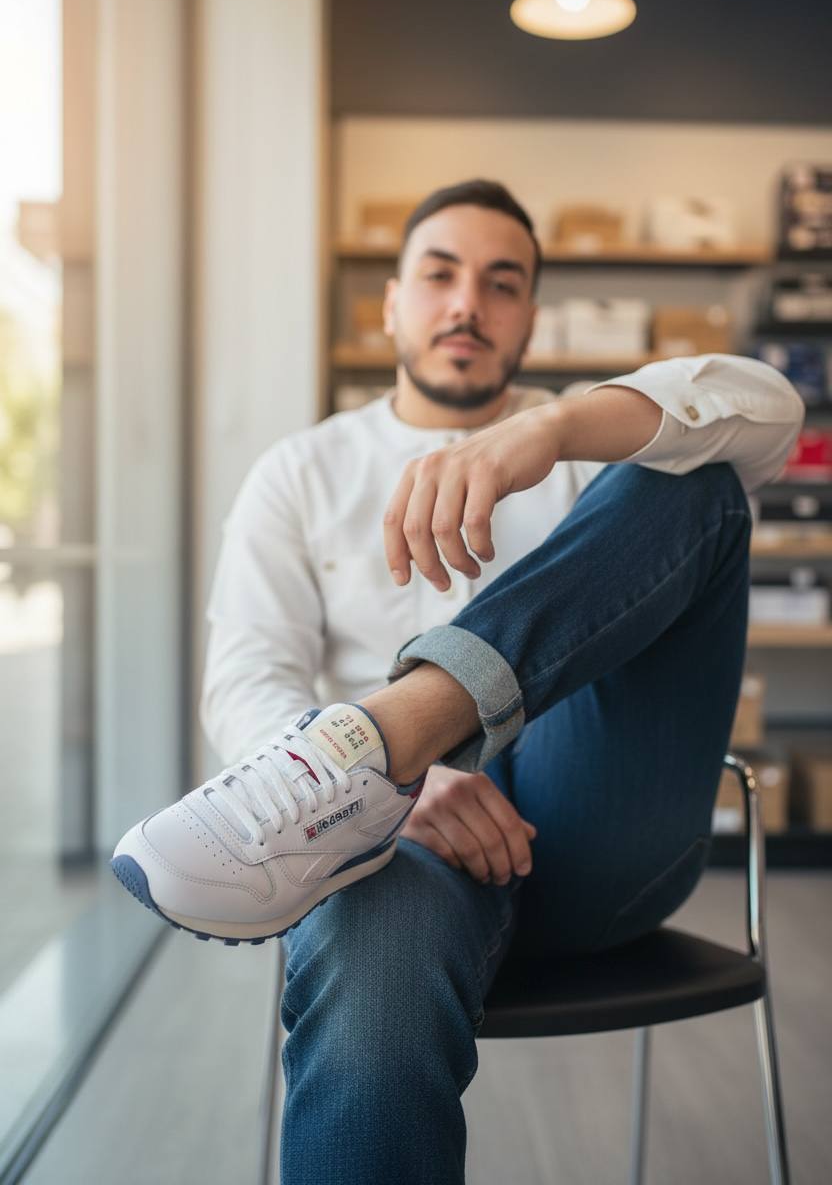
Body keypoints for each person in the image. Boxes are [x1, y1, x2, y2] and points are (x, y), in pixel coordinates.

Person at [111, 179, 804, 1185]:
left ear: (528, 317)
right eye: (438, 275)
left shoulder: (580, 457)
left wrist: (556, 429)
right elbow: (243, 682)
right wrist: (413, 790)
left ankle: (380, 743)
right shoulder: (299, 474)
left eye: (501, 282)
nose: (465, 304)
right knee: (371, 973)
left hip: (589, 827)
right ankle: (365, 771)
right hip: (391, 852)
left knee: (695, 476)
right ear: (390, 302)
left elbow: (770, 413)